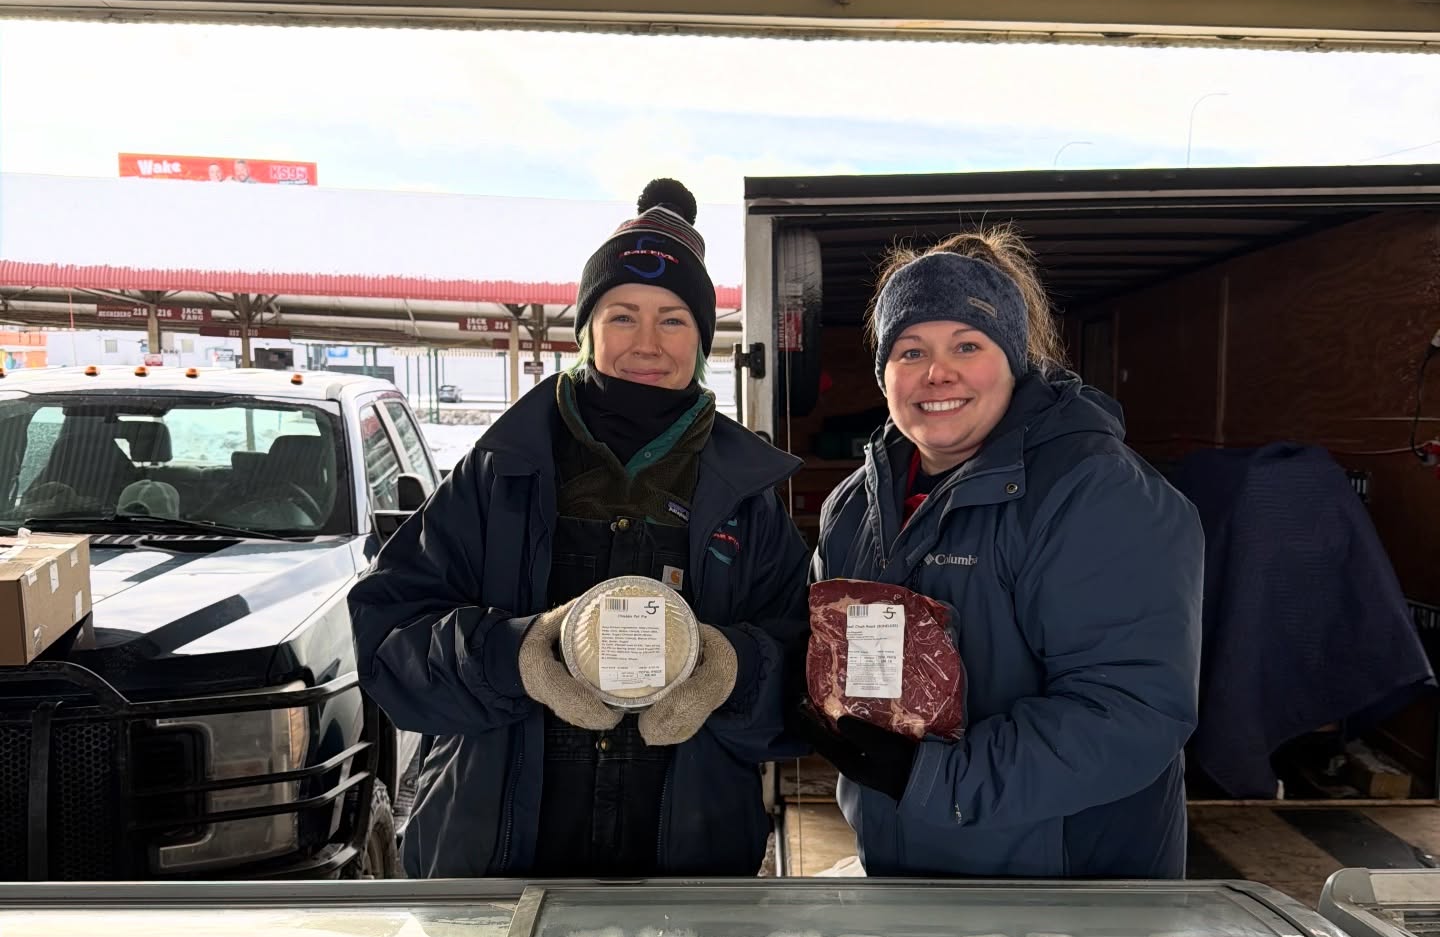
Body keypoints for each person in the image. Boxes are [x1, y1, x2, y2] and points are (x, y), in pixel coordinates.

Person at [349, 178, 809, 878]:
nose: (648, 343)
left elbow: (804, 677)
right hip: (494, 866)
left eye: (675, 319)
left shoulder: (747, 495)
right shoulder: (500, 470)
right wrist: (516, 654)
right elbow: (389, 644)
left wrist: (733, 671)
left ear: (705, 339)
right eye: (623, 315)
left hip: (691, 868)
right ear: (587, 329)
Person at [796, 227, 1203, 879]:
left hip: (1066, 904)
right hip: (905, 871)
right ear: (883, 372)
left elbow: (1127, 715)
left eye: (967, 344)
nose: (938, 372)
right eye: (910, 350)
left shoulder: (1093, 493)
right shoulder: (854, 506)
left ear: (1012, 360)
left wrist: (932, 777)